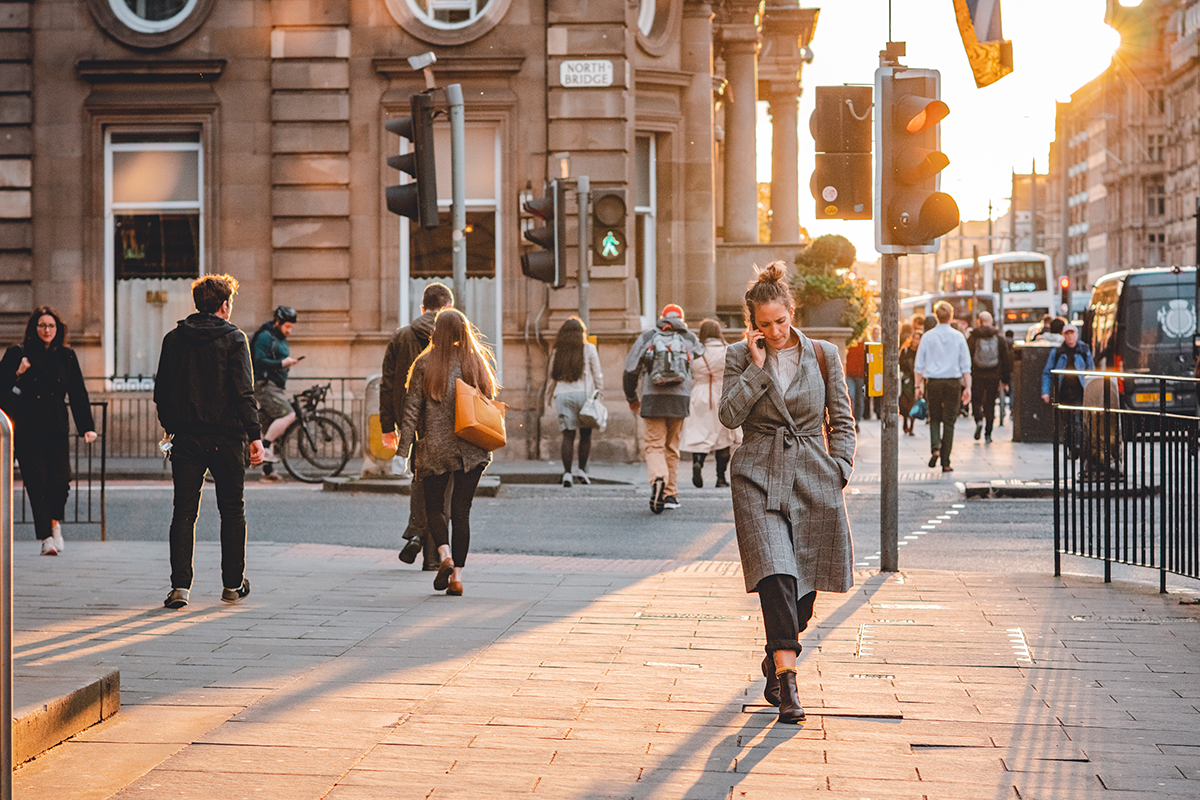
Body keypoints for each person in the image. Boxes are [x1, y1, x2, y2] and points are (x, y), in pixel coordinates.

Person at [718, 261, 856, 725]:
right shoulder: (741, 356)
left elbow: (842, 417)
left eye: (781, 321)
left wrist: (840, 466)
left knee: (804, 593)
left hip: (814, 475)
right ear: (751, 324)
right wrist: (757, 369)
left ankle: (776, 656)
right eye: (764, 325)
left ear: (792, 311)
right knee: (776, 573)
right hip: (758, 474)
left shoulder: (823, 354)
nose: (775, 332)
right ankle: (790, 684)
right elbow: (729, 417)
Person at [154, 274, 264, 609]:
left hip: (186, 437)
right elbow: (244, 392)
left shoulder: (174, 338)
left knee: (184, 511)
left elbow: (161, 392)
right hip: (228, 437)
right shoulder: (234, 339)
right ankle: (232, 584)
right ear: (224, 304)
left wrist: (172, 427)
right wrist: (255, 436)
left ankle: (180, 587)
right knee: (232, 510)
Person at [397, 308, 498, 597]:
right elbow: (488, 398)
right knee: (461, 511)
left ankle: (444, 556)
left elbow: (412, 409)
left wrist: (403, 451)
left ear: (436, 331)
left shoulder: (424, 364)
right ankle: (458, 578)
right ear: (464, 331)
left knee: (434, 508)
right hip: (472, 447)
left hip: (435, 448)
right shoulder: (475, 360)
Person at [0, 307, 97, 555]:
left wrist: (87, 427)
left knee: (61, 481)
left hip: (55, 426)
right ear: (34, 328)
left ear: (58, 329)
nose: (46, 330)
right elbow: (2, 388)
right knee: (37, 481)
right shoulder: (17, 353)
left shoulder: (67, 356)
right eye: (42, 325)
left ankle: (54, 524)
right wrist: (18, 373)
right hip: (27, 426)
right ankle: (45, 538)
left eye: (51, 326)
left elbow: (77, 392)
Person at [381, 282, 454, 570]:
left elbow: (387, 384)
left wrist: (389, 426)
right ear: (449, 308)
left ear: (423, 308)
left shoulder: (401, 337)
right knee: (443, 486)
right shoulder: (457, 337)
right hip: (445, 421)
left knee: (421, 476)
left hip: (410, 418)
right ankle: (433, 555)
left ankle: (415, 533)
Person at [623, 304, 706, 514]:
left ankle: (658, 478)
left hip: (653, 398)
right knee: (672, 447)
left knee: (654, 445)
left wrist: (632, 397)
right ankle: (670, 494)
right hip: (680, 398)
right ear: (682, 319)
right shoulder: (688, 338)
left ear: (661, 318)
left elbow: (630, 370)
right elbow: (700, 359)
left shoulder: (648, 337)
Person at [680, 319, 742, 488]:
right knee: (723, 438)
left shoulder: (695, 351)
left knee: (700, 432)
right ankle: (720, 478)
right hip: (721, 393)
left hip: (699, 393)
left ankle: (698, 462)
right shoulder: (727, 350)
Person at [914, 301, 971, 473]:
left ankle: (935, 447)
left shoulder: (927, 336)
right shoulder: (958, 336)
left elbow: (918, 365)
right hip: (953, 382)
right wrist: (967, 387)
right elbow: (965, 365)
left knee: (935, 418)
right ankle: (946, 462)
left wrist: (918, 386)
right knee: (949, 421)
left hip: (934, 382)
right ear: (951, 316)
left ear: (937, 316)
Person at [546, 316, 603, 487]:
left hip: (563, 395)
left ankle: (567, 474)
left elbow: (551, 377)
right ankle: (582, 471)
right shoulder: (589, 349)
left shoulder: (557, 352)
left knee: (568, 435)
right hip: (584, 396)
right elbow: (597, 374)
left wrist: (548, 396)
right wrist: (600, 394)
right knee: (585, 434)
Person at [250, 306, 301, 477]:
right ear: (278, 322)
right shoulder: (265, 337)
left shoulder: (278, 338)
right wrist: (282, 364)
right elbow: (258, 360)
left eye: (291, 327)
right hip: (265, 385)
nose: (289, 331)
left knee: (266, 424)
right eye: (287, 326)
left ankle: (268, 470)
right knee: (288, 414)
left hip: (275, 385)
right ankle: (265, 447)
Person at [966, 311, 1012, 444]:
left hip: (977, 374)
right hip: (994, 374)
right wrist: (1005, 379)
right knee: (990, 403)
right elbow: (1006, 359)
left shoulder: (973, 337)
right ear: (991, 321)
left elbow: (967, 356)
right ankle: (988, 433)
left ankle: (979, 419)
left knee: (976, 400)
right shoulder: (998, 337)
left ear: (979, 322)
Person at [898, 329, 922, 436]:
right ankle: (904, 421)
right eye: (914, 338)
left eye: (918, 339)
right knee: (904, 402)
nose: (915, 341)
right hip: (906, 379)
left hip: (916, 380)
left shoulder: (921, 352)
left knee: (913, 402)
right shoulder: (905, 351)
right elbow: (900, 364)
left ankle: (911, 425)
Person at [843, 338, 866, 425]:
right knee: (850, 396)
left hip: (859, 375)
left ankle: (857, 420)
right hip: (850, 374)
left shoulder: (863, 345)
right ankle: (851, 417)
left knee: (858, 398)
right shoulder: (850, 343)